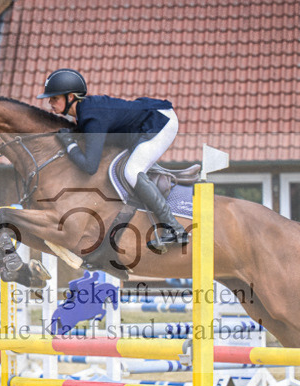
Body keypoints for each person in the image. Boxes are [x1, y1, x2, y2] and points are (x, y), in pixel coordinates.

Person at [36, 68, 189, 252]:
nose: (50, 102)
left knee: (131, 172)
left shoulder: (92, 117)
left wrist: (70, 145)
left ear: (71, 97)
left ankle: (174, 228)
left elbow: (90, 166)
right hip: (145, 120)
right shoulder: (85, 113)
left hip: (160, 121)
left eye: (54, 98)